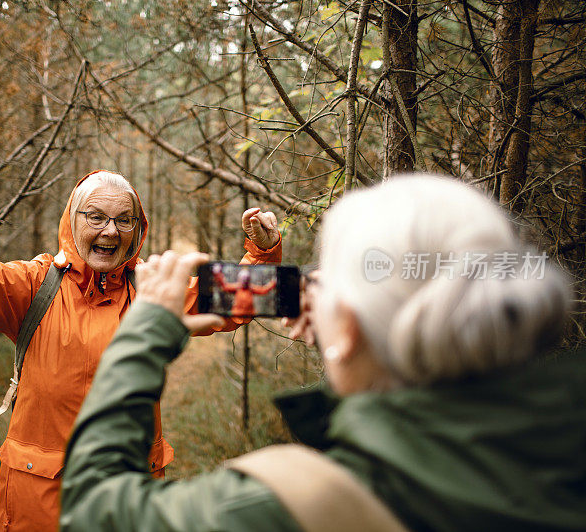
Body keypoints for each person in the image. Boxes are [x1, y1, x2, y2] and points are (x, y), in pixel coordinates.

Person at [59, 174, 586, 532]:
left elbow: (93, 510)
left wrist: (145, 330)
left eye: (327, 281)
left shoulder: (289, 503)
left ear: (351, 326)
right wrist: (355, 355)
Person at [0, 132, 282, 531]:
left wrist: (262, 252)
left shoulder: (151, 291)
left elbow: (234, 302)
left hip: (128, 498)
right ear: (73, 221)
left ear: (137, 231)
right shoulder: (34, 286)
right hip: (40, 499)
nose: (110, 231)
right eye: (96, 217)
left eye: (124, 220)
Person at [212, 264, 277, 316]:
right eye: (243, 279)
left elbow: (264, 290)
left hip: (249, 314)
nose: (244, 281)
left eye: (246, 279)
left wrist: (274, 282)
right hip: (237, 314)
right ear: (239, 279)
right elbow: (224, 286)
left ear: (248, 280)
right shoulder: (237, 287)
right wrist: (217, 274)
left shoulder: (251, 288)